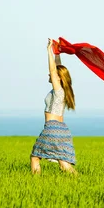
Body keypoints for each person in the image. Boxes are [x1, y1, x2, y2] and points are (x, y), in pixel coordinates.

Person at [30, 39, 78, 175]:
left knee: (35, 157)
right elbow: (57, 67)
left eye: (53, 75)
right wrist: (57, 53)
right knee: (63, 163)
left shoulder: (58, 91)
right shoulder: (64, 90)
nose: (50, 75)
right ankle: (79, 180)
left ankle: (35, 183)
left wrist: (48, 50)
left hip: (52, 128)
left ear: (58, 78)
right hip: (62, 130)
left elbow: (53, 69)